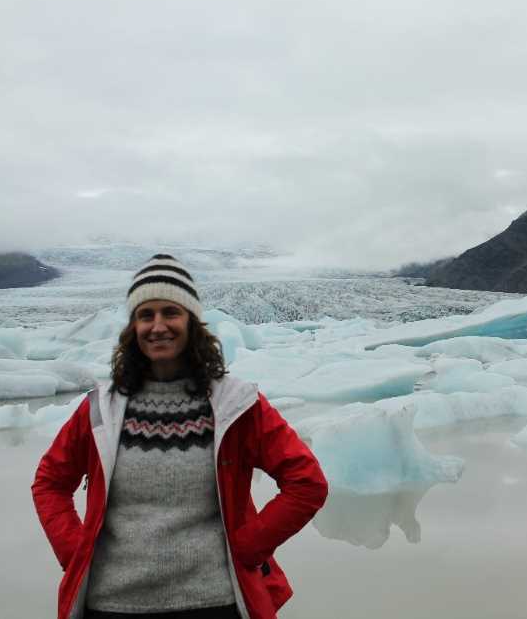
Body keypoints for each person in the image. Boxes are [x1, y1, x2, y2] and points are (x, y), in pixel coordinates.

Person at [32, 254, 328, 619]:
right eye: (146, 314)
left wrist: (249, 547)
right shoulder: (101, 408)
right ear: (133, 327)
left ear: (192, 321)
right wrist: (74, 550)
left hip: (214, 602)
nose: (158, 326)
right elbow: (49, 482)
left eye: (171, 312)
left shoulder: (235, 404)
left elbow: (307, 482)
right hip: (111, 603)